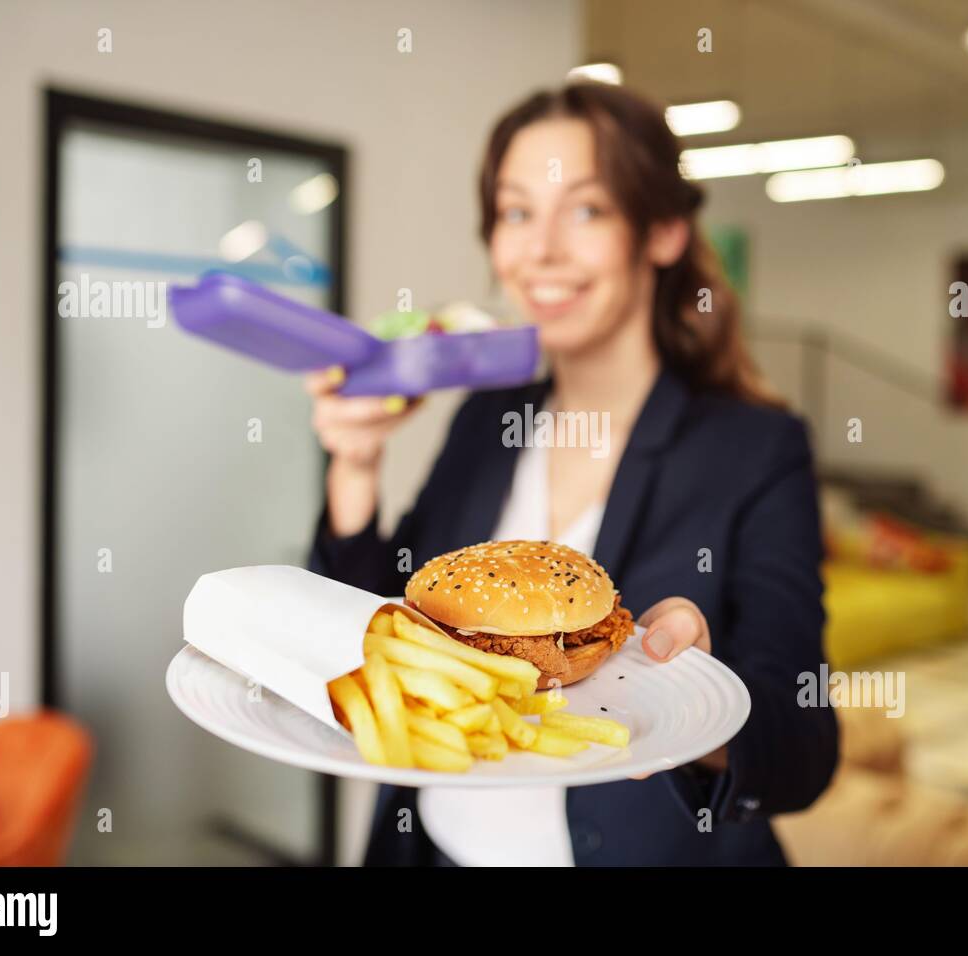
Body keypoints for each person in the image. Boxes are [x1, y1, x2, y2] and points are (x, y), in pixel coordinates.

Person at [306, 82, 837, 866]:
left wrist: (697, 704)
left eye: (586, 209)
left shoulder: (756, 450)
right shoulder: (488, 418)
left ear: (662, 232)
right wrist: (356, 465)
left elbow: (804, 748)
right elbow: (376, 629)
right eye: (516, 212)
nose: (541, 251)